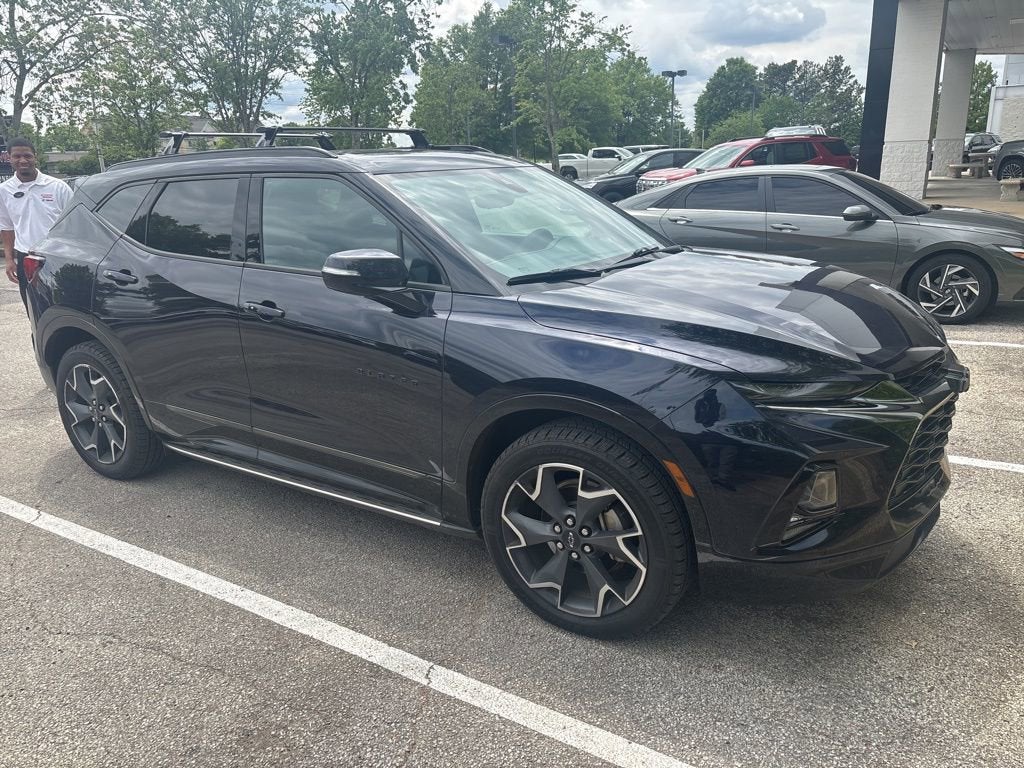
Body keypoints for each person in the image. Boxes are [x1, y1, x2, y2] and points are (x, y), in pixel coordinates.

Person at [0, 137, 73, 311]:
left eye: (27, 155)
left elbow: (74, 223)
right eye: (17, 156)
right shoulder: (4, 191)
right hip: (26, 258)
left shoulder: (58, 187)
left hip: (57, 256)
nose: (23, 160)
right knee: (33, 310)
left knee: (64, 307)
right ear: (8, 158)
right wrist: (10, 260)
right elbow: (7, 227)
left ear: (35, 157)